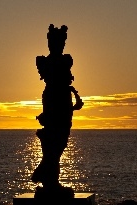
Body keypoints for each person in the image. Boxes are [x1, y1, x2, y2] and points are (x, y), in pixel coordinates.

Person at [31, 24, 83, 193]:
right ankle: (48, 179)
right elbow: (55, 78)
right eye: (54, 41)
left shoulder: (66, 59)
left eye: (61, 42)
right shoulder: (44, 61)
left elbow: (65, 81)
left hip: (63, 100)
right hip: (54, 99)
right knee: (53, 141)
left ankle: (48, 178)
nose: (58, 45)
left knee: (60, 141)